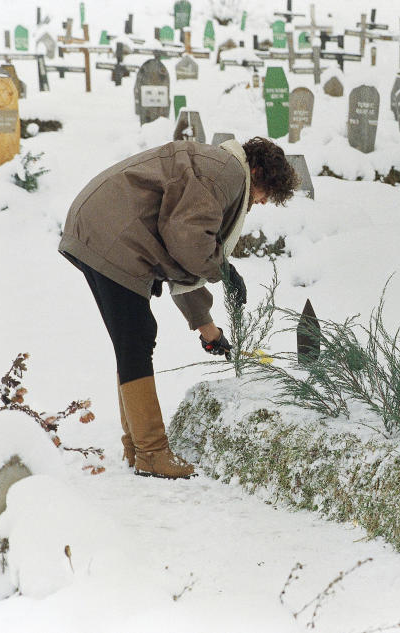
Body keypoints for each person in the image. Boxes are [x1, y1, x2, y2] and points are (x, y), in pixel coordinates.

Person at [58, 137, 298, 479]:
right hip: (112, 233)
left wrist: (209, 332)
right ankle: (152, 452)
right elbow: (188, 243)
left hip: (100, 226)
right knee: (136, 337)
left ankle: (137, 446)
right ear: (257, 173)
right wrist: (224, 270)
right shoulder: (225, 175)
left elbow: (183, 262)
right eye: (264, 196)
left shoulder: (219, 168)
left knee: (132, 338)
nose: (258, 204)